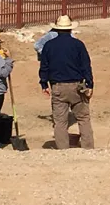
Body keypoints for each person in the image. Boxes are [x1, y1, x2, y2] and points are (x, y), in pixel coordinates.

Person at [39, 15, 94, 149]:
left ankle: (63, 150)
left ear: (57, 29)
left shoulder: (49, 45)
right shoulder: (78, 44)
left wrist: (44, 84)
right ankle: (88, 148)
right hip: (77, 86)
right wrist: (90, 84)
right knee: (83, 118)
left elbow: (44, 66)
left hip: (58, 87)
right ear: (70, 29)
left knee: (60, 122)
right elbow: (86, 65)